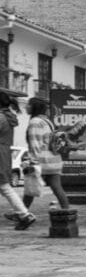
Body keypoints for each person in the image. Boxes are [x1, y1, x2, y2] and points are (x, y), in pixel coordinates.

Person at [22, 97, 69, 212]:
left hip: (41, 161)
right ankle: (67, 211)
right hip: (54, 160)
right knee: (57, 188)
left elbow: (35, 144)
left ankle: (22, 214)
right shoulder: (47, 121)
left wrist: (31, 161)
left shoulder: (35, 122)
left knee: (30, 188)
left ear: (34, 107)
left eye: (29, 104)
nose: (26, 106)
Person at [0, 93, 34, 230]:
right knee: (4, 186)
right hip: (4, 154)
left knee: (4, 187)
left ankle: (25, 215)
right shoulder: (8, 117)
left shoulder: (1, 117)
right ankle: (24, 214)